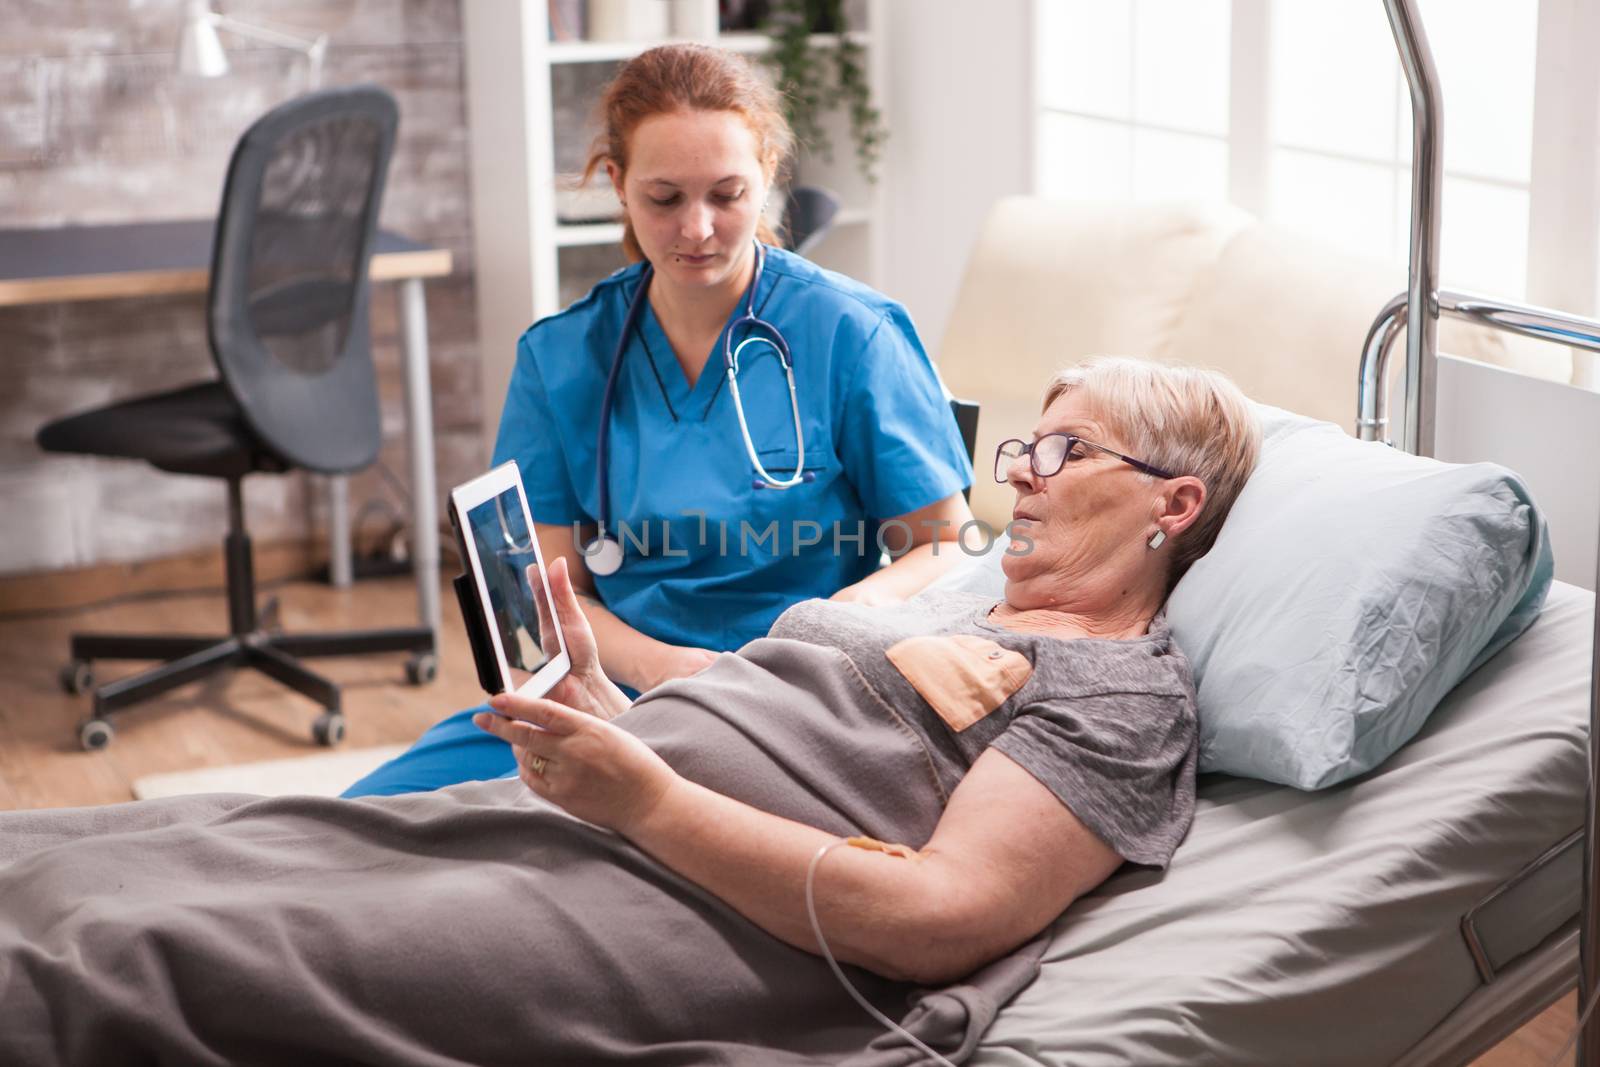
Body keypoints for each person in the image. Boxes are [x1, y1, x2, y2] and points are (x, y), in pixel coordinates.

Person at [0, 358, 1261, 1065]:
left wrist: (646, 793)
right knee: (139, 852)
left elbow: (939, 920)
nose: (1023, 480)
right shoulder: (965, 610)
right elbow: (786, 712)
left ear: (1173, 507)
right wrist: (610, 704)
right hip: (595, 817)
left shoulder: (1122, 692)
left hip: (694, 909)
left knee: (154, 956)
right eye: (1023, 450)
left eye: (1065, 453)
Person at [344, 43, 974, 797]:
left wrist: (849, 610)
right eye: (665, 198)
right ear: (617, 183)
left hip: (795, 700)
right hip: (609, 691)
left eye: (727, 194)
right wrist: (658, 667)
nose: (697, 229)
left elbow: (945, 545)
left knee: (558, 855)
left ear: (769, 172)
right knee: (381, 814)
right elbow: (551, 592)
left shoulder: (851, 333)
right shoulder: (563, 356)